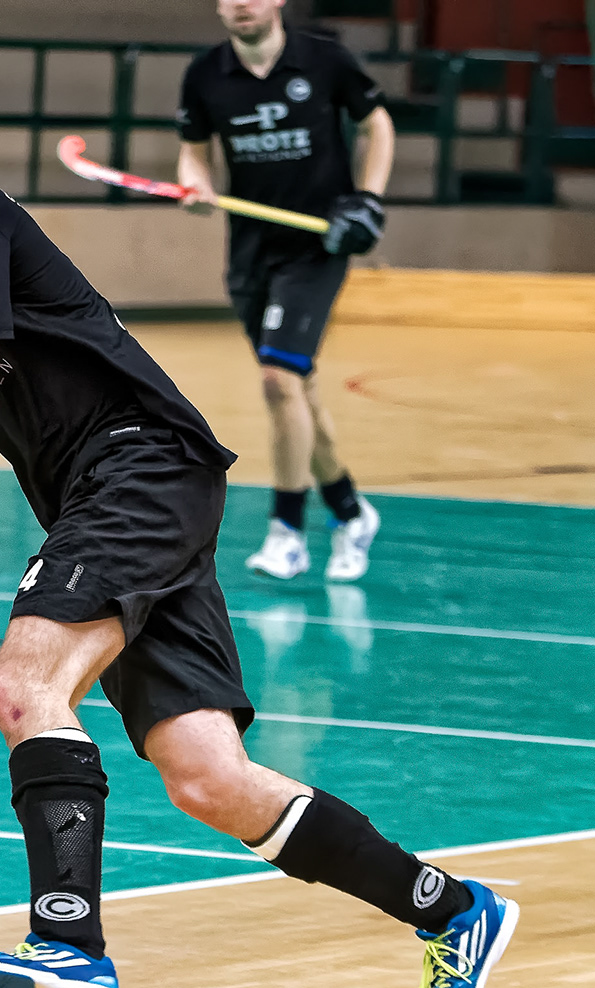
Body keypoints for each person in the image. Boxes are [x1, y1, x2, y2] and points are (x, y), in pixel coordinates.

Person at [0, 45, 516, 988]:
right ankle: (455, 911)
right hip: (113, 498)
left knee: (22, 689)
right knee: (208, 778)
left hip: (140, 463)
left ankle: (68, 942)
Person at [176, 0, 393, 582]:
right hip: (251, 253)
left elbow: (376, 123)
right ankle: (350, 511)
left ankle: (287, 531)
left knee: (278, 381)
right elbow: (194, 149)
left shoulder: (324, 59)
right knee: (297, 387)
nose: (241, 4)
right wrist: (195, 185)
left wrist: (369, 200)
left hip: (317, 247)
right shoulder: (205, 74)